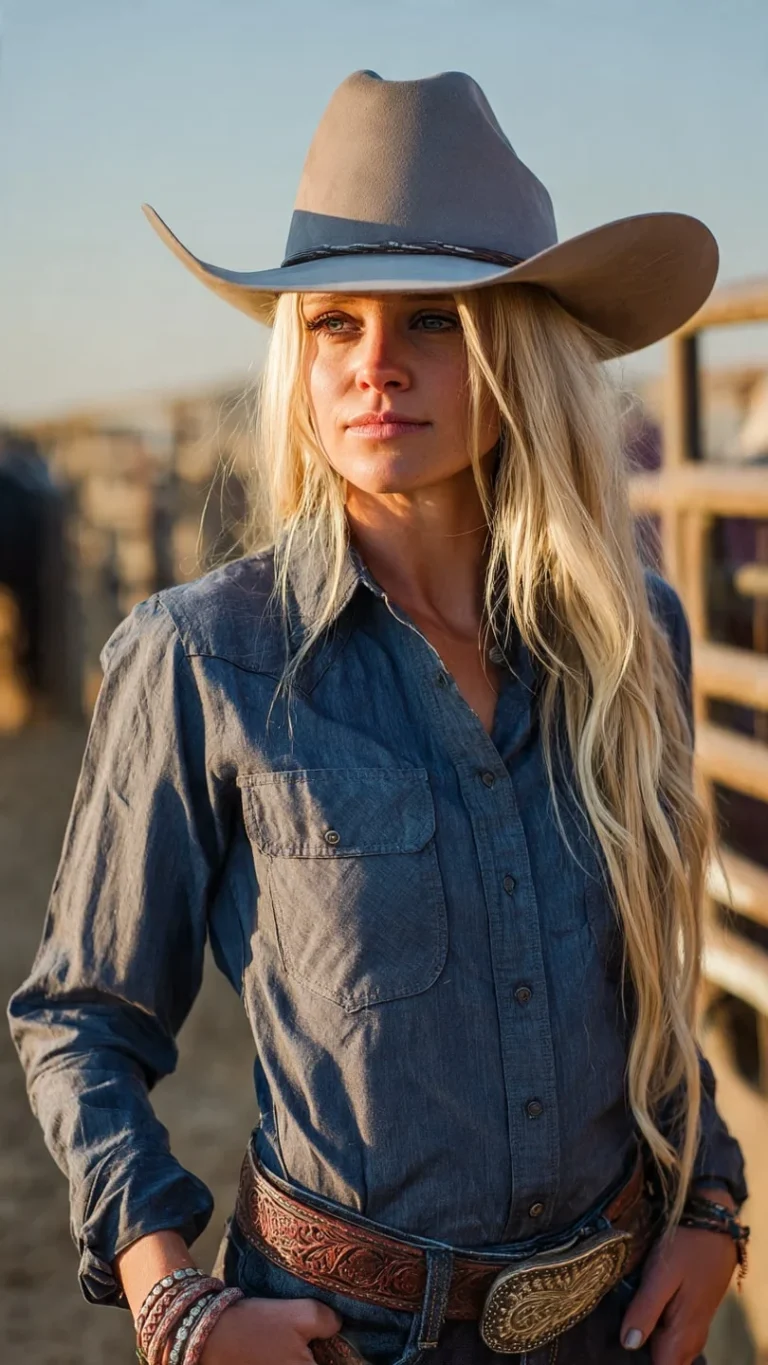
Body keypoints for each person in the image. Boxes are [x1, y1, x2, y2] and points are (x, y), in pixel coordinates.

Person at [8, 69, 749, 1365]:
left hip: (620, 1318)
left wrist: (711, 1201)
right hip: (346, 1336)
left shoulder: (633, 633)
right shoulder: (203, 657)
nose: (374, 368)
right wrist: (172, 1297)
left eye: (433, 322)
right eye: (334, 322)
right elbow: (80, 1018)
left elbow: (648, 971)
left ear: (517, 343)